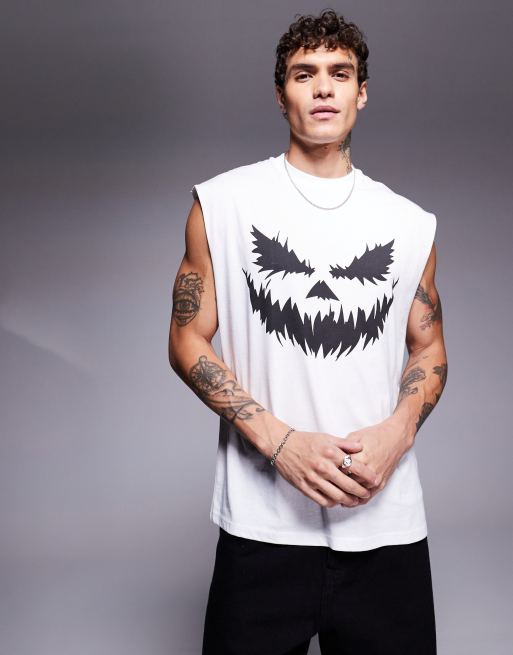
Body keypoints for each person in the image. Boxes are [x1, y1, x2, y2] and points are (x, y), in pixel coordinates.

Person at [168, 8, 447, 655]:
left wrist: (397, 432)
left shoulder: (409, 224)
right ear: (280, 94)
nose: (323, 87)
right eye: (304, 73)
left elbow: (428, 345)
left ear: (361, 92)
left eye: (339, 73)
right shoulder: (224, 204)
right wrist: (280, 441)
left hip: (385, 529)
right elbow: (186, 339)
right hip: (261, 533)